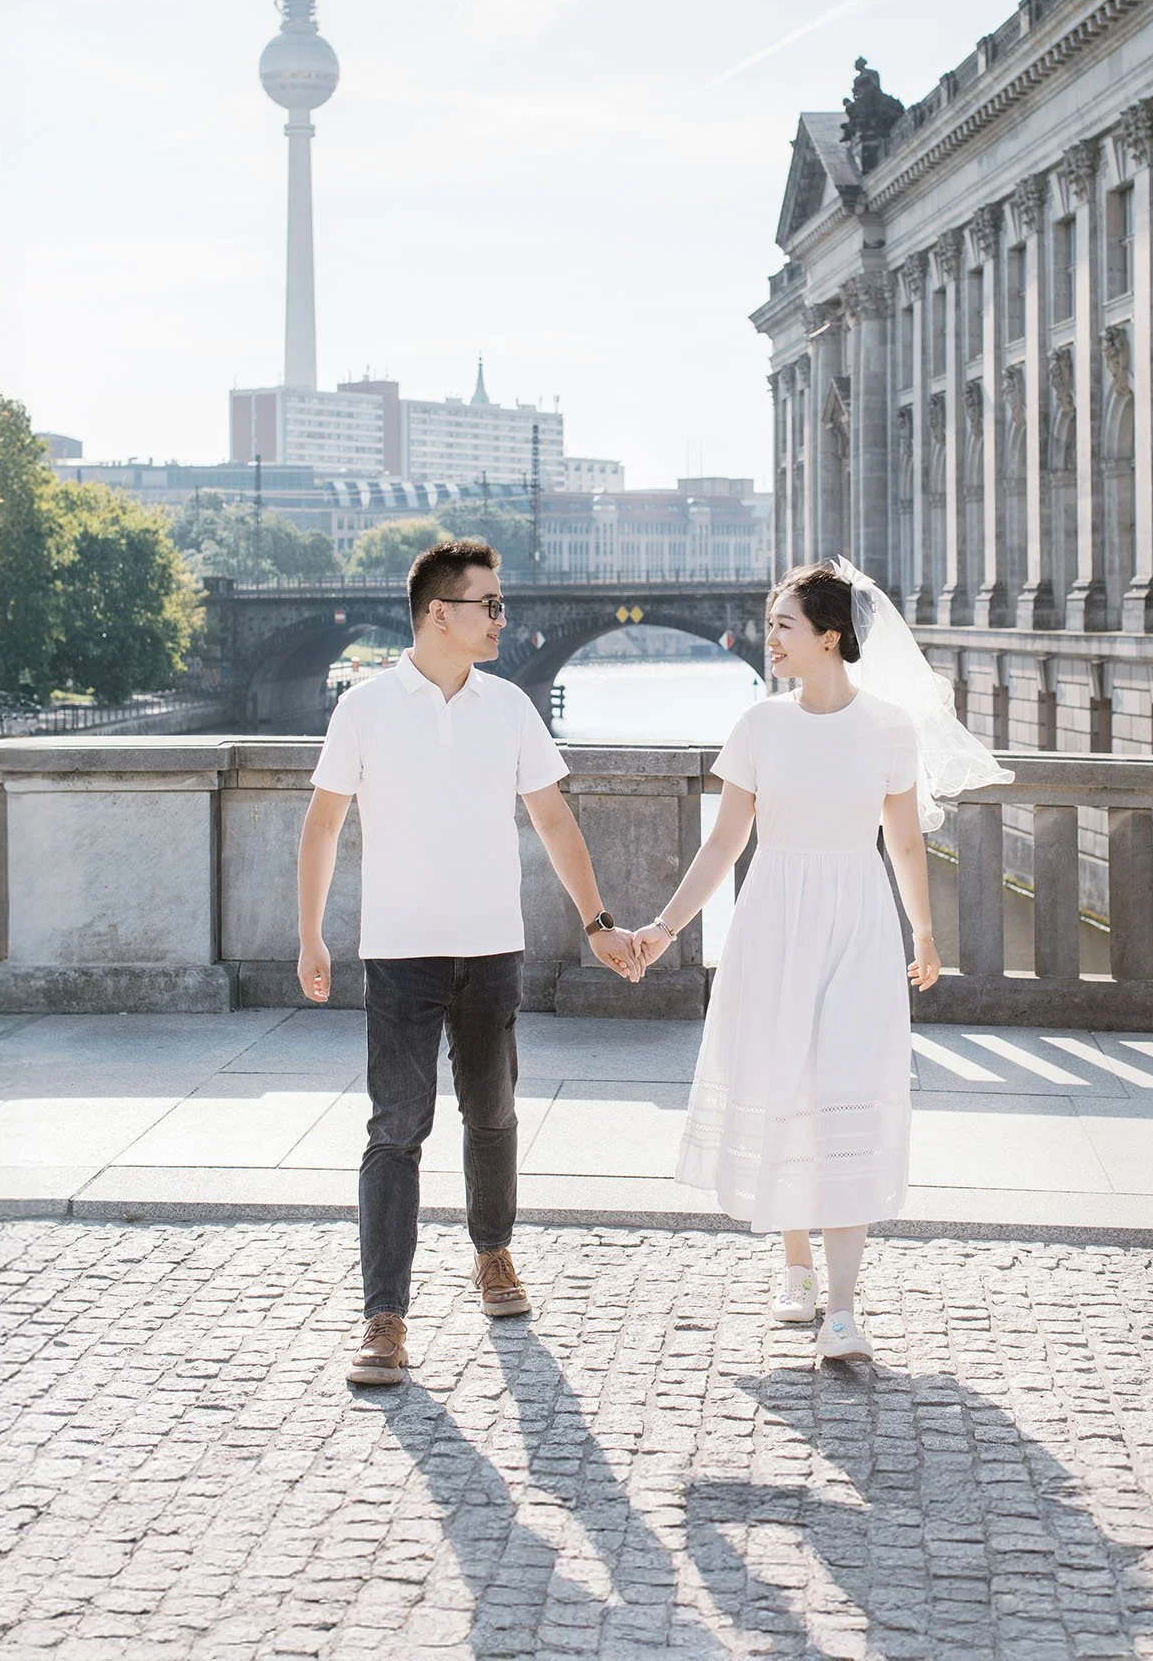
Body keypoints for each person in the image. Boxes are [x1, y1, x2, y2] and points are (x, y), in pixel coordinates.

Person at [631, 557, 1010, 1363]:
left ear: (830, 638)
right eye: (770, 625)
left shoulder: (888, 729)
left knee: (849, 1091)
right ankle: (796, 1267)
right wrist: (665, 928)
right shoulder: (759, 726)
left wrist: (925, 933)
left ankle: (843, 1309)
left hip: (858, 920)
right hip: (774, 917)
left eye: (783, 625)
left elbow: (904, 840)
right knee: (787, 1084)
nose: (769, 639)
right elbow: (726, 841)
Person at [297, 538, 642, 1386]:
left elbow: (555, 822)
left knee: (491, 1115)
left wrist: (597, 919)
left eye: (500, 604)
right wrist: (310, 934)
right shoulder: (367, 707)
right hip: (399, 955)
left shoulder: (510, 707)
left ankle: (493, 1254)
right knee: (396, 1129)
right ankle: (385, 1316)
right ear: (438, 613)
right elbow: (324, 824)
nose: (500, 617)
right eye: (488, 604)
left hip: (491, 947)